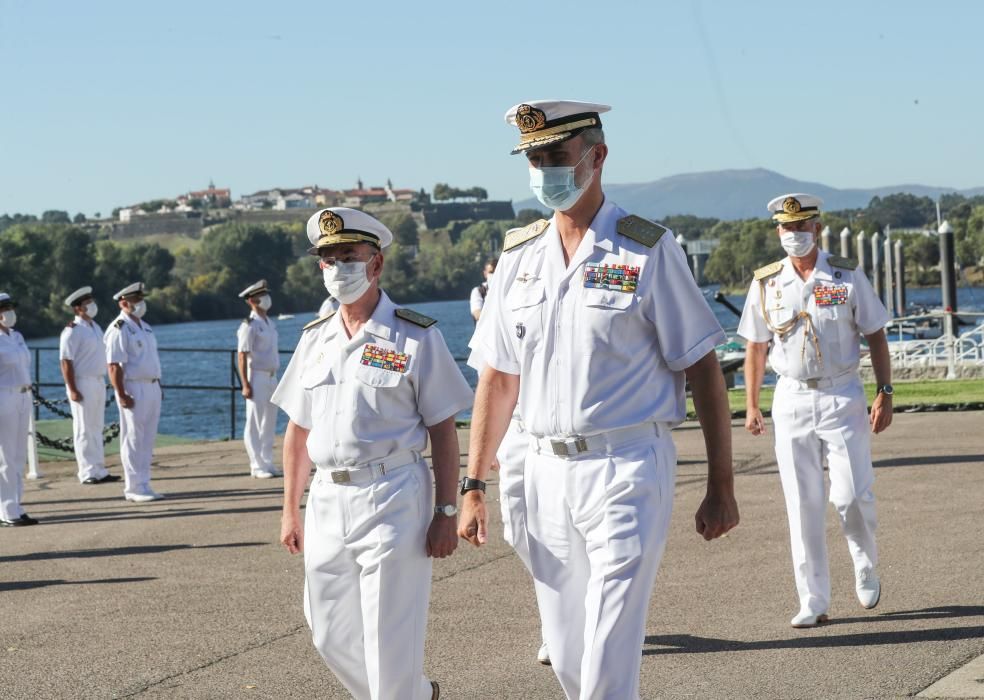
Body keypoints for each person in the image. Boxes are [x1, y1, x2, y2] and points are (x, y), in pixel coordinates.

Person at [459, 99, 740, 698]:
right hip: (540, 472)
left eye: (555, 156)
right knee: (566, 652)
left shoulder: (645, 249)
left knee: (611, 646)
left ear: (597, 156)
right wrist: (473, 484)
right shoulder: (518, 258)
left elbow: (703, 369)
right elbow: (497, 379)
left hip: (627, 465)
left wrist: (722, 483)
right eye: (533, 159)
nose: (543, 171)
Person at [273, 207, 473, 700]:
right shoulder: (314, 339)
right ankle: (415, 694)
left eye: (348, 257)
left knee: (388, 639)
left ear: (376, 263)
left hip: (393, 495)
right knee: (328, 633)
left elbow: (443, 430)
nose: (337, 268)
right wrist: (289, 510)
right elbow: (298, 432)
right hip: (326, 500)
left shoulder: (415, 334)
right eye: (327, 260)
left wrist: (446, 511)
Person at [738, 193, 893, 628]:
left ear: (817, 229)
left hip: (841, 392)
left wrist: (886, 392)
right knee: (802, 503)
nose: (795, 235)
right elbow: (755, 345)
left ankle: (865, 563)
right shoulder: (766, 282)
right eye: (787, 229)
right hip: (790, 396)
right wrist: (751, 403)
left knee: (850, 495)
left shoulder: (844, 275)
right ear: (778, 232)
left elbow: (876, 334)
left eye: (802, 227)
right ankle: (813, 598)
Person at [467, 284, 550, 666]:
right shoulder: (508, 287)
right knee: (517, 530)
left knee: (559, 531)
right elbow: (488, 377)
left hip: (554, 426)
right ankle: (567, 603)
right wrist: (488, 447)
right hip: (515, 427)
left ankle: (556, 623)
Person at [104, 282, 164, 503]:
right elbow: (113, 366)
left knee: (147, 438)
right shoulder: (119, 328)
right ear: (124, 303)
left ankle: (145, 483)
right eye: (136, 300)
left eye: (141, 299)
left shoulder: (145, 327)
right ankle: (133, 487)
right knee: (133, 438)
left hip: (151, 385)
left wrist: (159, 386)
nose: (141, 304)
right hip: (133, 386)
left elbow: (151, 360)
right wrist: (121, 393)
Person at [60, 286, 118, 485]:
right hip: (82, 381)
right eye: (87, 303)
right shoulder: (71, 331)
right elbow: (66, 362)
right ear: (78, 309)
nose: (92, 305)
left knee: (96, 426)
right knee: (84, 428)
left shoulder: (94, 327)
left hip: (97, 381)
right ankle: (86, 472)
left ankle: (99, 469)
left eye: (91, 301)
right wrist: (73, 388)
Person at [236, 279, 281, 479]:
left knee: (269, 422)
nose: (266, 298)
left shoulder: (269, 323)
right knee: (254, 422)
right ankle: (256, 464)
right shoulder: (249, 325)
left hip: (272, 376)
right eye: (261, 295)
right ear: (252, 300)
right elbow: (242, 355)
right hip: (257, 376)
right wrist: (245, 384)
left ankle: (267, 461)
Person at [0, 292, 38, 527]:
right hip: (4, 396)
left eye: (10, 307)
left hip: (23, 396)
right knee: (5, 456)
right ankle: (5, 510)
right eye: (4, 308)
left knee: (18, 456)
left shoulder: (17, 336)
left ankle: (17, 504)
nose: (9, 312)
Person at [469, 258, 497, 322]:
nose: (494, 275)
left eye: (496, 272)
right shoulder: (478, 291)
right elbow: (477, 315)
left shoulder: (508, 291)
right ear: (485, 274)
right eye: (491, 272)